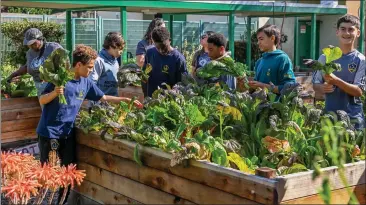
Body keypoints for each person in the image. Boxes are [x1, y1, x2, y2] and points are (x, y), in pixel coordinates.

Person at [36, 44, 143, 204]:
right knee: (50, 173)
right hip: (50, 133)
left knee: (67, 171)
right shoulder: (61, 78)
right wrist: (54, 93)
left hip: (67, 133)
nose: (92, 71)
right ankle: (44, 200)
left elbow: (104, 98)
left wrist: (125, 100)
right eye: (89, 67)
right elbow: (42, 99)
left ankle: (61, 202)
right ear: (78, 65)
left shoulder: (86, 82)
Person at [312, 14, 365, 129]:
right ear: (337, 32)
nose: (346, 33)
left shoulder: (361, 60)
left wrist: (336, 81)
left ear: (358, 33)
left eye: (351, 30)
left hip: (353, 119)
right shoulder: (325, 57)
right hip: (330, 117)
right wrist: (322, 88)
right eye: (343, 29)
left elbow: (358, 91)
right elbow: (315, 84)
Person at [7, 28, 64, 98]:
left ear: (40, 39)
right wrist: (11, 77)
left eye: (33, 43)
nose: (31, 46)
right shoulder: (29, 53)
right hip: (41, 89)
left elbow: (64, 66)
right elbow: (27, 67)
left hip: (55, 88)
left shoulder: (53, 48)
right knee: (45, 108)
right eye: (29, 44)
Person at [248, 24, 296, 94]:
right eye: (258, 40)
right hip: (259, 104)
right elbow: (255, 89)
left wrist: (263, 86)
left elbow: (289, 88)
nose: (258, 43)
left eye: (261, 39)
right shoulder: (259, 62)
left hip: (276, 104)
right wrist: (245, 85)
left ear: (272, 38)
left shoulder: (282, 59)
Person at [142, 27, 187, 97]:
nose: (161, 50)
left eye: (163, 47)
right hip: (150, 100)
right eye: (157, 47)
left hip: (168, 102)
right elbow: (145, 75)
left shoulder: (178, 59)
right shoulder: (149, 53)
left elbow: (182, 83)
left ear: (169, 40)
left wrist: (174, 91)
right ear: (153, 42)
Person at [89, 32, 125, 97]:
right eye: (120, 48)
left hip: (113, 101)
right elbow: (91, 83)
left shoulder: (115, 61)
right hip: (100, 103)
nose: (121, 51)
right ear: (112, 46)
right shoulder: (98, 61)